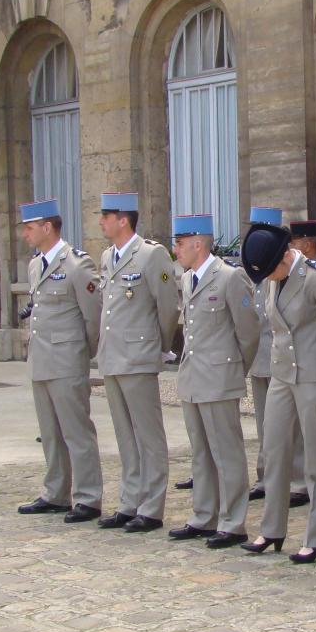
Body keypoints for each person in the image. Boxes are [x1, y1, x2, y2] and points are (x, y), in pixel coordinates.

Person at [240, 223, 316, 562]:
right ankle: (272, 529)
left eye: (271, 269)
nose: (268, 277)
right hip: (282, 374)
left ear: (286, 256)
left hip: (315, 374)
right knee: (274, 452)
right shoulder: (274, 277)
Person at [171, 214, 260, 548]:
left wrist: (234, 370)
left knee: (227, 452)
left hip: (220, 376)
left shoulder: (229, 277)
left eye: (179, 244)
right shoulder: (187, 278)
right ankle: (203, 515)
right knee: (201, 453)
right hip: (193, 376)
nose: (175, 250)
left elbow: (248, 333)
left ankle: (233, 521)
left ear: (198, 243)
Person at [15, 199, 105, 523]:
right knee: (50, 432)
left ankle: (88, 496)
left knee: (76, 430)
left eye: (29, 227)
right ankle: (55, 492)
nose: (25, 234)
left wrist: (83, 352)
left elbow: (93, 317)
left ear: (47, 227)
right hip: (41, 359)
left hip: (67, 359)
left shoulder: (77, 264)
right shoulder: (35, 265)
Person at [95, 192, 179, 533]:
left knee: (148, 435)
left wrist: (156, 346)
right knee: (125, 435)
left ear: (123, 219)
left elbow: (168, 307)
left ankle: (151, 506)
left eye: (105, 215)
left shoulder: (151, 254)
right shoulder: (106, 256)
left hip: (139, 355)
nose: (100, 222)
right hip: (113, 356)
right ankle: (129, 501)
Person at [246, 207, 309, 507]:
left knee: (293, 427)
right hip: (262, 354)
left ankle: (297, 480)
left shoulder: (299, 270)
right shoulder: (254, 262)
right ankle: (265, 476)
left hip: (289, 356)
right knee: (265, 424)